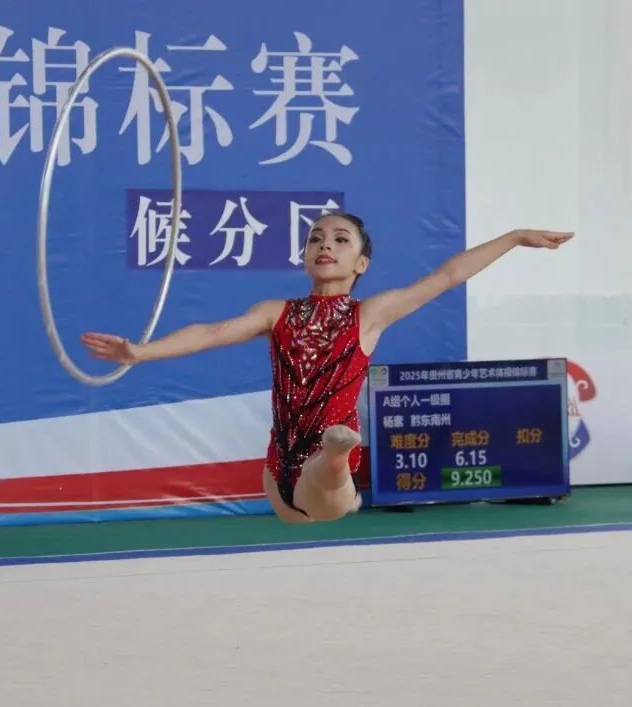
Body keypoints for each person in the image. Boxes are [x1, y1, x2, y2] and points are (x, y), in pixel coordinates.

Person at [81, 214, 573, 524]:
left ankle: (338, 456)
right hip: (279, 465)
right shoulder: (276, 313)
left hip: (325, 465)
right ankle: (333, 466)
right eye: (316, 237)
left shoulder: (368, 315)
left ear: (361, 264)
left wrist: (514, 237)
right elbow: (212, 331)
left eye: (341, 239)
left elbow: (447, 276)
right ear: (304, 257)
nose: (325, 244)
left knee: (326, 469)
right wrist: (139, 352)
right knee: (294, 508)